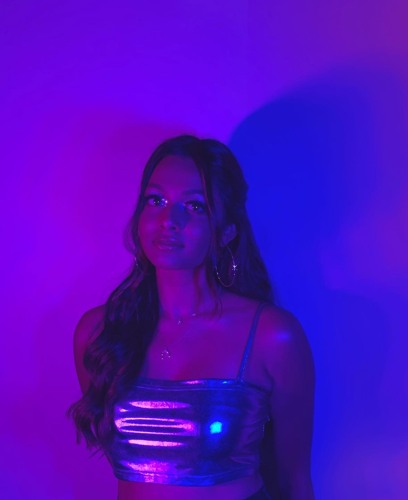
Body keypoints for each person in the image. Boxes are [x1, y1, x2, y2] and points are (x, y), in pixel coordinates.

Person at [69, 135, 315, 499]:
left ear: (227, 231)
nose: (169, 220)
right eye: (156, 200)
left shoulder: (271, 336)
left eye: (195, 206)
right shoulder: (98, 333)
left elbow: (294, 481)